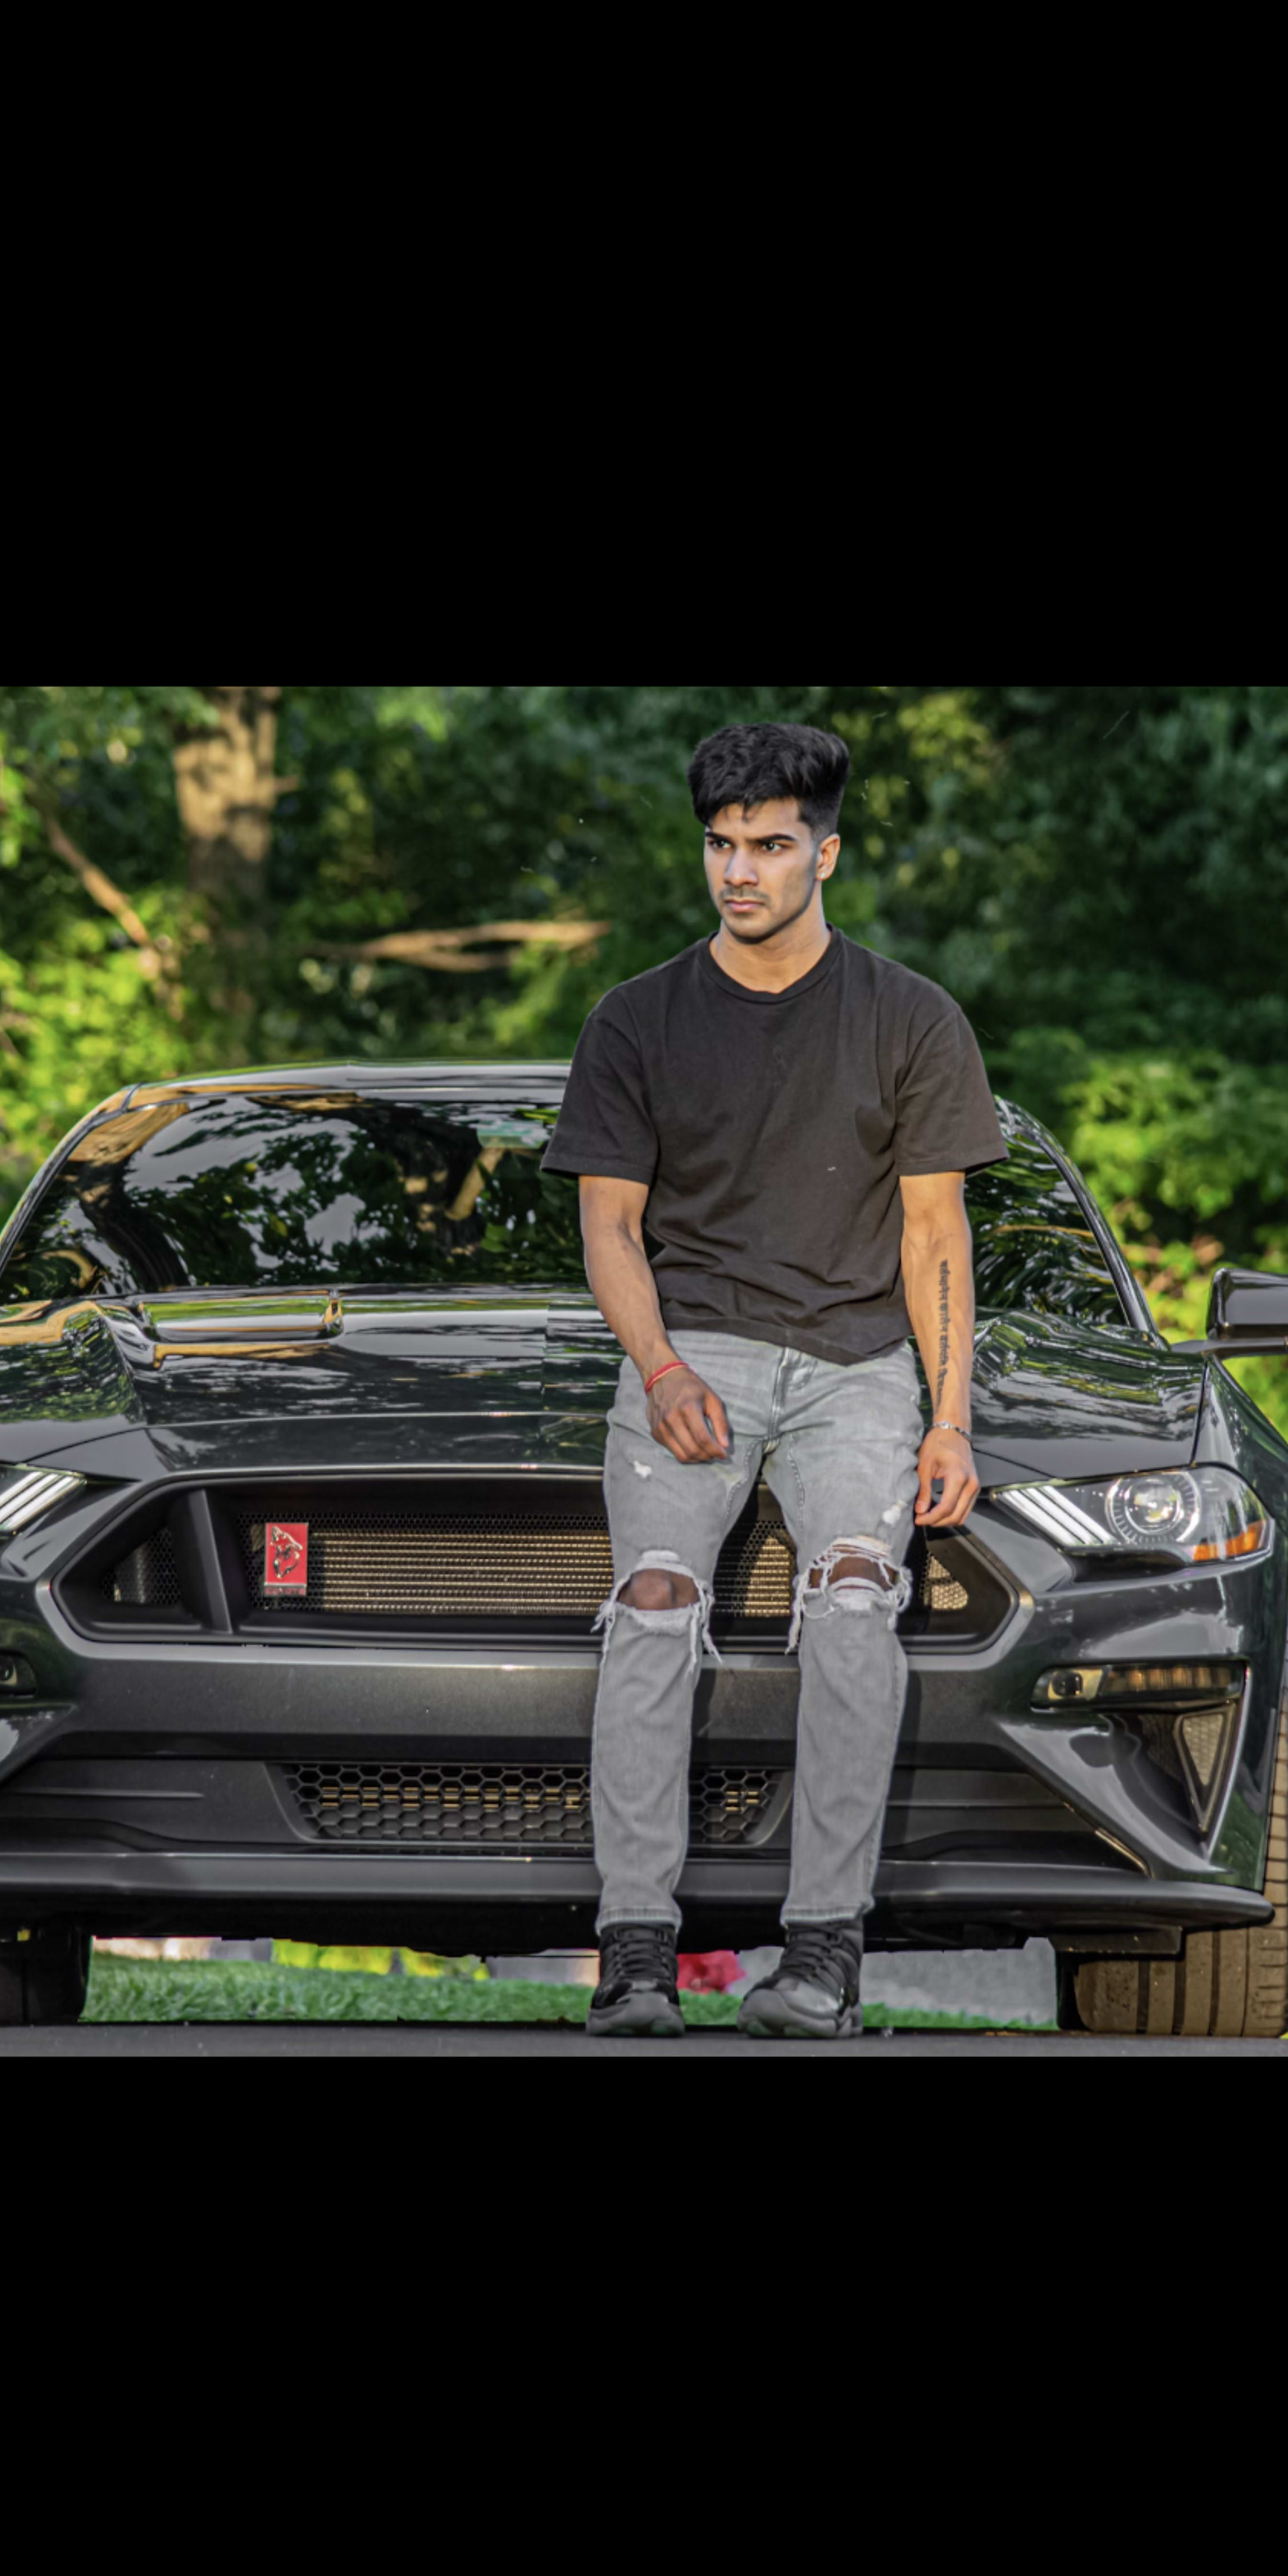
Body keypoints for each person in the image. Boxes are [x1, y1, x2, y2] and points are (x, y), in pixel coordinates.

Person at [542, 720, 1006, 2040]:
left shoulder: (910, 1018)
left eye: (768, 844)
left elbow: (936, 1236)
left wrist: (952, 1418)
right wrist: (662, 1365)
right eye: (721, 845)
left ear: (827, 853)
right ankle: (635, 1956)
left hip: (860, 1366)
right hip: (697, 1351)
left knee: (857, 1597)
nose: (738, 870)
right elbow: (610, 1228)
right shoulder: (636, 1019)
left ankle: (821, 1961)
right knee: (653, 1603)